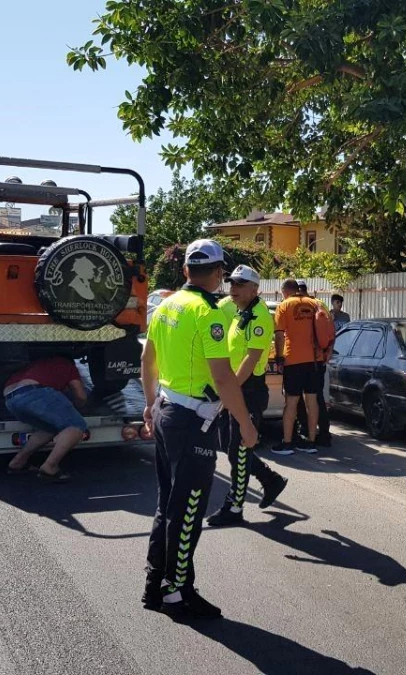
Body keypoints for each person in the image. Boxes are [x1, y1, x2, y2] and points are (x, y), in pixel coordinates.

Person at [140, 239, 258, 620]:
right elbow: (223, 379)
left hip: (165, 410)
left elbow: (147, 359)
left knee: (166, 505)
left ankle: (155, 584)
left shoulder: (167, 304)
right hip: (192, 422)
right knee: (188, 510)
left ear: (187, 270)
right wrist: (245, 423)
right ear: (219, 272)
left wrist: (148, 405)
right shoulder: (209, 314)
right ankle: (177, 593)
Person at [207, 265, 289, 527]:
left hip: (249, 389)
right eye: (232, 284)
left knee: (239, 451)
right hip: (237, 387)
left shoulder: (260, 318)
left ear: (255, 289)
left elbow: (249, 360)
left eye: (240, 285)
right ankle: (270, 480)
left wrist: (227, 392)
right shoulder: (242, 311)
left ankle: (234, 507)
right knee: (232, 449)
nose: (233, 289)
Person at [3, 355, 90, 482]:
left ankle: (17, 463)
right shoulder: (66, 364)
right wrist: (77, 408)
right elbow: (81, 396)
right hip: (34, 392)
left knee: (48, 427)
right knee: (76, 425)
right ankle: (50, 467)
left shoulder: (35, 365)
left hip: (10, 399)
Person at [274, 278, 325, 455]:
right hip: (314, 360)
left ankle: (287, 443)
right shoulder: (315, 303)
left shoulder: (284, 306)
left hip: (293, 360)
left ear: (284, 291)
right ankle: (311, 442)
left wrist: (279, 357)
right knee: (312, 401)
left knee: (291, 402)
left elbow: (279, 336)